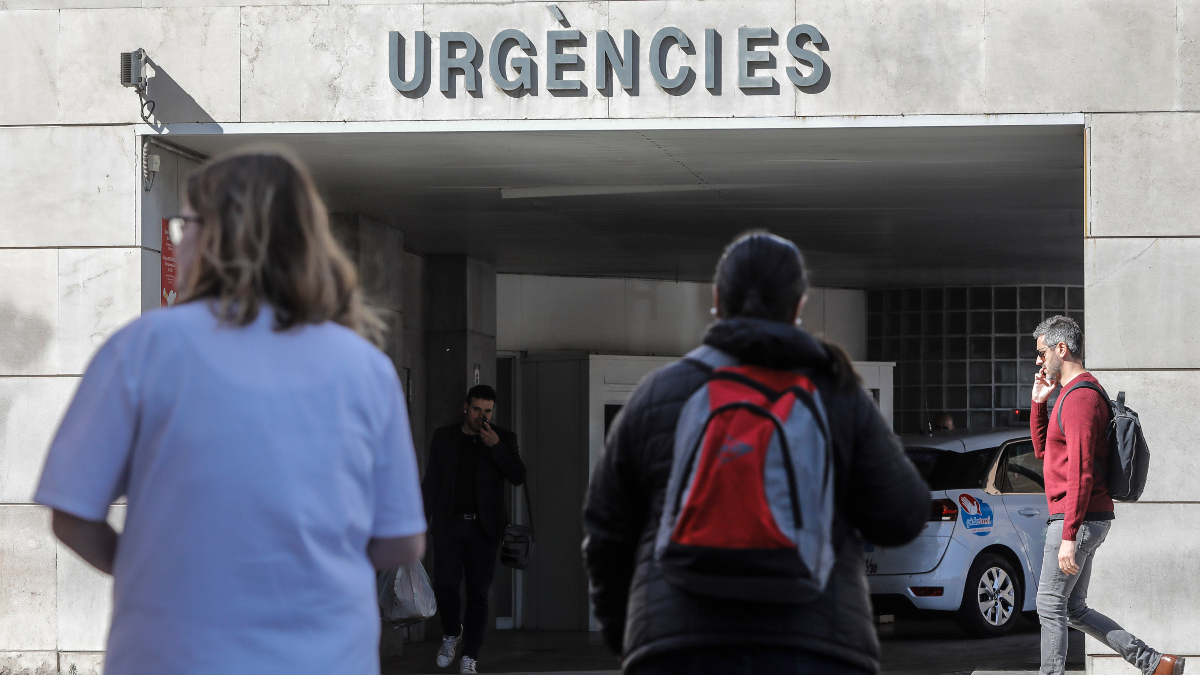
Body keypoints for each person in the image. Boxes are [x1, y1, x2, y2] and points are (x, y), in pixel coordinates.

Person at [34, 148, 427, 675]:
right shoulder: (365, 369)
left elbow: (72, 513)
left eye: (186, 224)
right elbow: (401, 539)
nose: (182, 238)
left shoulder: (142, 349)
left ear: (220, 233)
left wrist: (156, 576)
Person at [583, 231, 930, 675]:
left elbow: (607, 534)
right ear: (799, 305)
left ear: (716, 299)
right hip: (817, 644)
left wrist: (626, 634)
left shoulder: (660, 393)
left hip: (678, 646)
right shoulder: (836, 392)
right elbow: (901, 515)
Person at [1031, 316, 1183, 675]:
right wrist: (1039, 403)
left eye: (1042, 353)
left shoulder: (1082, 398)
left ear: (1061, 349)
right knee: (1072, 608)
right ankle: (1154, 663)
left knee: (1050, 604)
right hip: (1083, 519)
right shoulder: (1068, 395)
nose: (1038, 361)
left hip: (1076, 519)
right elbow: (1044, 452)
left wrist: (1069, 534)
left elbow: (1081, 470)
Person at [422, 385, 526, 674]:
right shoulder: (444, 438)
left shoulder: (502, 438)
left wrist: (496, 447)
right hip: (448, 525)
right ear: (465, 407)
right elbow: (431, 482)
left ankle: (470, 655)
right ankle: (451, 632)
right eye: (477, 409)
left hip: (484, 529)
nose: (482, 416)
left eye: (488, 411)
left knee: (478, 594)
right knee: (445, 585)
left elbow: (517, 476)